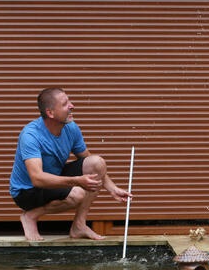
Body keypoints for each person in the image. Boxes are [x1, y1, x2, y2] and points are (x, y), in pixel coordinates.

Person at [9, 87, 132, 241]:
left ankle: (79, 225)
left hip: (54, 179)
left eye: (69, 101)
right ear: (50, 113)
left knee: (97, 163)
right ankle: (30, 216)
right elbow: (37, 178)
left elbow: (89, 161)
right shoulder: (31, 135)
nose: (72, 106)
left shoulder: (71, 128)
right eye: (65, 104)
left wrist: (112, 188)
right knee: (77, 194)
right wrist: (76, 181)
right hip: (27, 192)